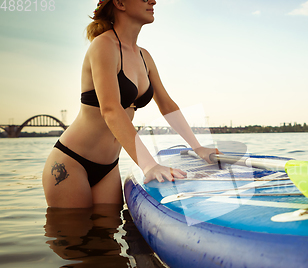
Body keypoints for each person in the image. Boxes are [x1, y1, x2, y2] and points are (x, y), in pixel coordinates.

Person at [42, 0, 218, 208]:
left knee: (108, 235)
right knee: (73, 235)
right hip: (72, 162)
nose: (153, 1)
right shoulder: (103, 45)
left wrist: (198, 147)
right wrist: (149, 165)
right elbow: (110, 109)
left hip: (108, 167)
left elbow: (167, 105)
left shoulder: (145, 57)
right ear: (119, 3)